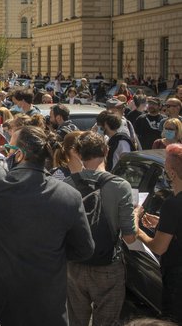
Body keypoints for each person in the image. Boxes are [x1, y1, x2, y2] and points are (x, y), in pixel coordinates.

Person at [0, 127, 94, 326]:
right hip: (48, 308)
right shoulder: (69, 195)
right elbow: (84, 249)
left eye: (8, 148)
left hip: (1, 307)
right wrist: (51, 253)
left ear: (19, 154)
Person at [64, 132, 137, 326]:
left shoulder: (66, 185)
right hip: (108, 267)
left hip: (75, 266)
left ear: (78, 154)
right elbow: (130, 237)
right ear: (106, 151)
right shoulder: (120, 186)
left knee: (76, 320)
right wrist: (137, 216)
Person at [134, 144, 182, 323]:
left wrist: (138, 232)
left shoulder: (173, 204)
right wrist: (162, 225)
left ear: (171, 173)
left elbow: (159, 247)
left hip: (177, 280)